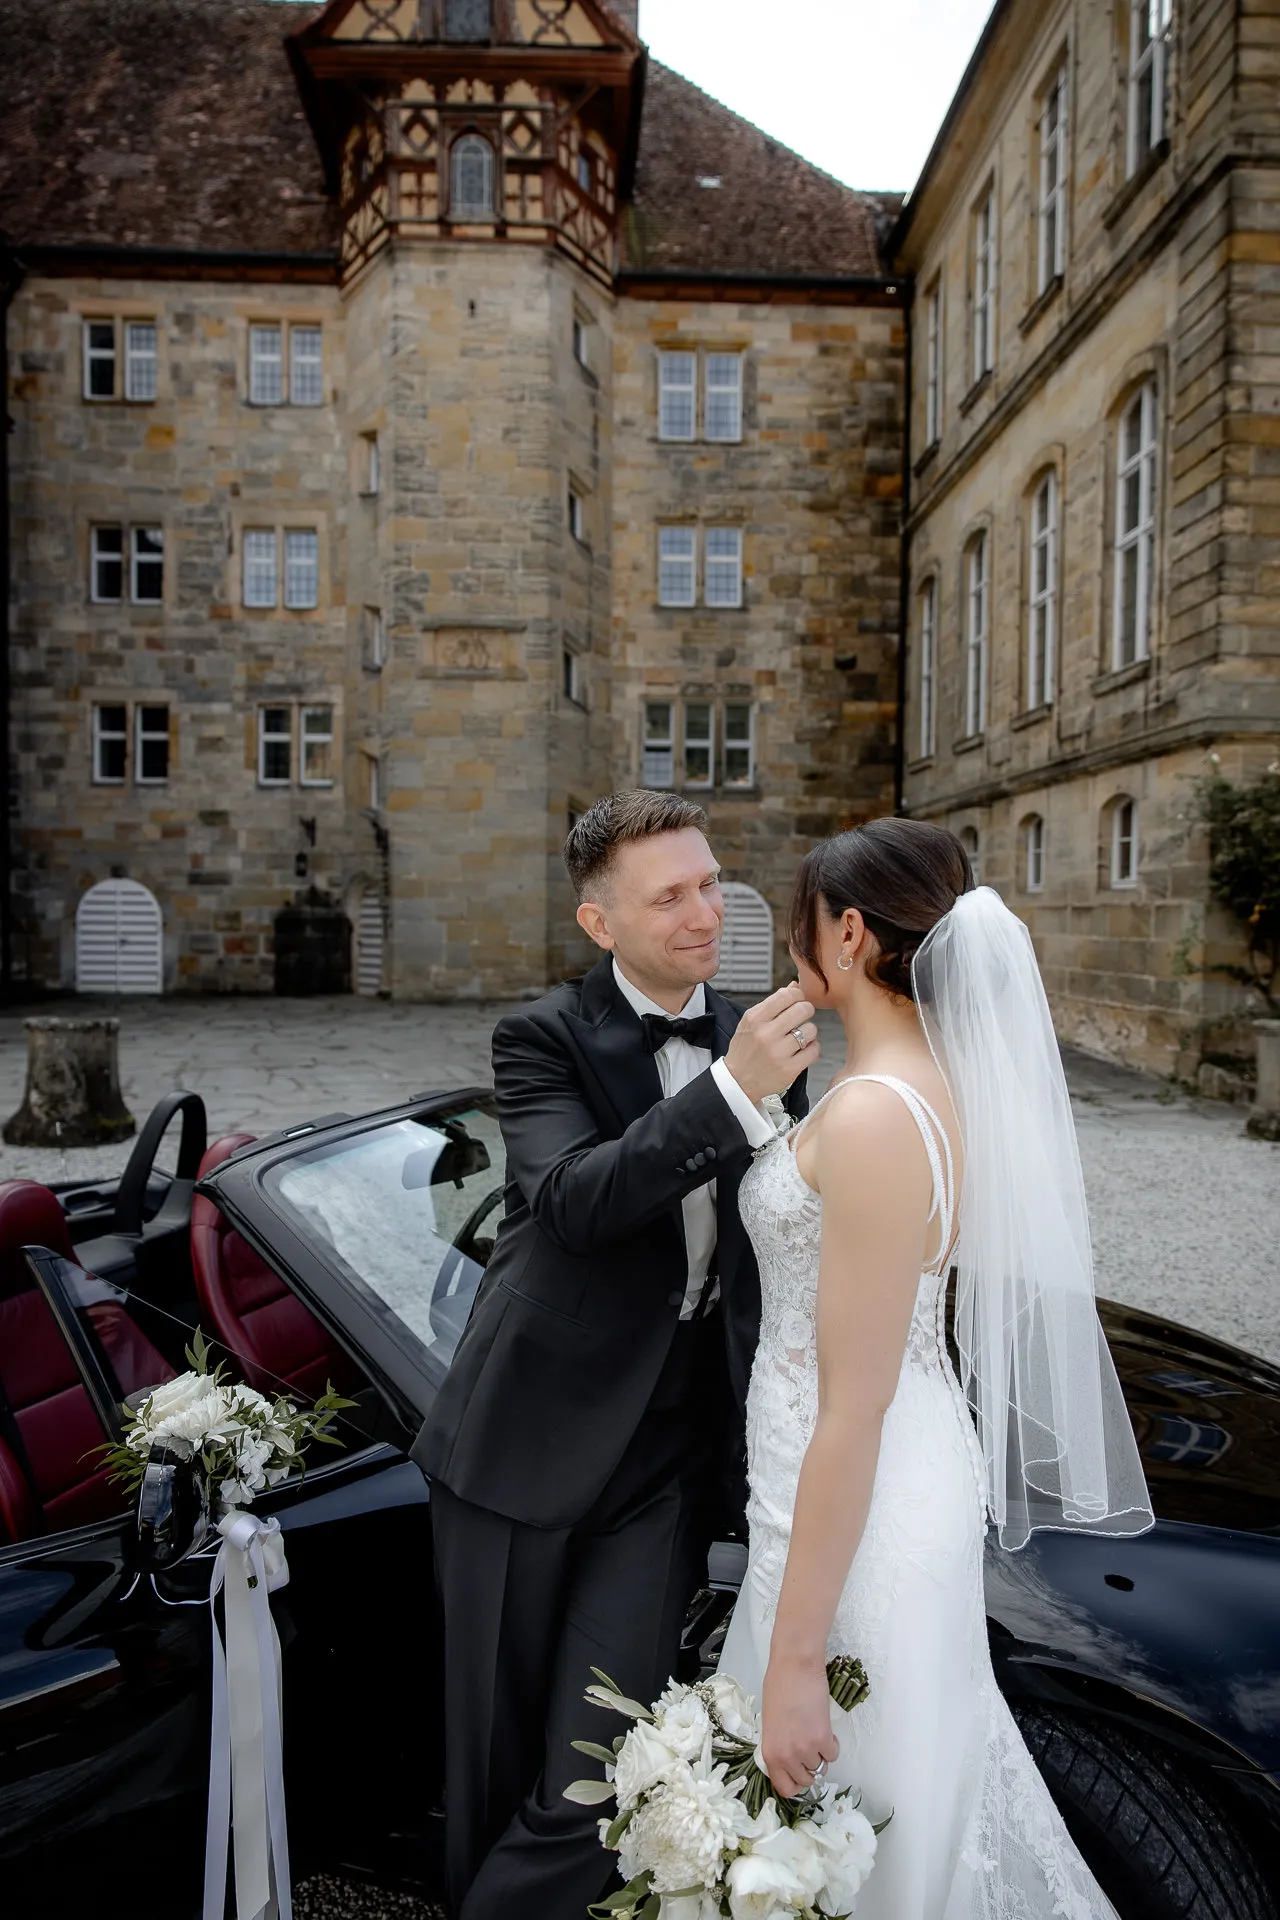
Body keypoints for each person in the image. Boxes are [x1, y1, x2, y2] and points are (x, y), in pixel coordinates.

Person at [719, 816, 1154, 1919]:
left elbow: (849, 1405)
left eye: (800, 930)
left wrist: (795, 1661)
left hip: (855, 1496)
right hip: (845, 1474)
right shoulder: (918, 1083)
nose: (788, 956)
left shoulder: (871, 1116)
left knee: (868, 1812)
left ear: (851, 935)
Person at [413, 789, 814, 1920]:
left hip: (670, 1453)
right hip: (520, 1445)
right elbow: (578, 1202)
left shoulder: (760, 1030)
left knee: (605, 1760)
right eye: (669, 896)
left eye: (710, 884)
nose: (705, 913)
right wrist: (733, 1090)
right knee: (489, 1761)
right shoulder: (540, 1036)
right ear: (600, 925)